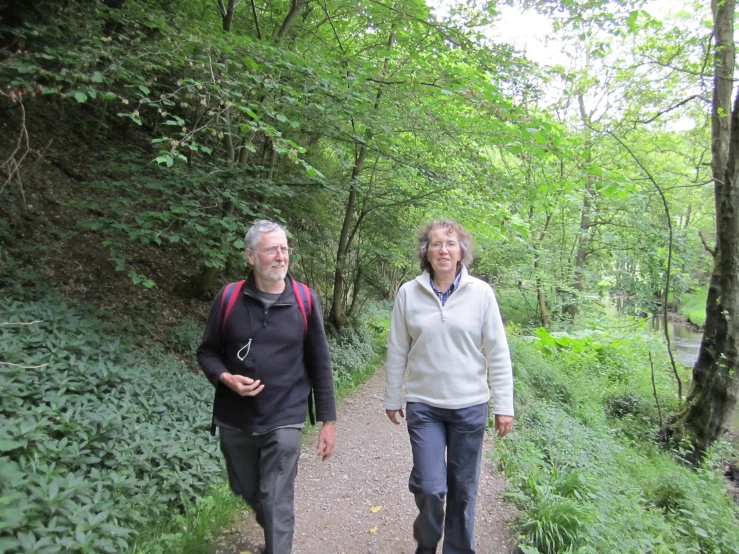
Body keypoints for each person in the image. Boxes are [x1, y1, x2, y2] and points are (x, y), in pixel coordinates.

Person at [197, 219, 336, 554]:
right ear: (250, 256)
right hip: (235, 417)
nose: (280, 256)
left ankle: (277, 544)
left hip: (285, 415)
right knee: (246, 488)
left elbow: (320, 362)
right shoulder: (229, 297)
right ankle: (272, 525)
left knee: (277, 497)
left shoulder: (304, 299)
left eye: (284, 249)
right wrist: (226, 378)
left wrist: (327, 421)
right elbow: (208, 352)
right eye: (271, 249)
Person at [384, 219, 514, 554]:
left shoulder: (481, 294)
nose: (443, 250)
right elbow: (398, 347)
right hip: (424, 406)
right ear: (425, 252)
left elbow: (498, 352)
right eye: (436, 244)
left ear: (461, 252)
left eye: (451, 244)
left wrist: (504, 406)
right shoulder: (408, 293)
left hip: (470, 407)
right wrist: (392, 395)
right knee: (429, 487)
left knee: (463, 489)